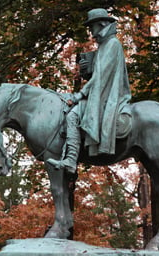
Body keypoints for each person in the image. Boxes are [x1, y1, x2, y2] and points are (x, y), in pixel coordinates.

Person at [47, 8, 131, 173]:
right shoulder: (105, 45)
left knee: (73, 115)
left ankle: (70, 160)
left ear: (100, 25)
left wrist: (79, 95)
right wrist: (88, 68)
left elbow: (100, 78)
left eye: (91, 27)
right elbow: (98, 76)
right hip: (103, 92)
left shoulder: (112, 44)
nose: (91, 31)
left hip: (109, 96)